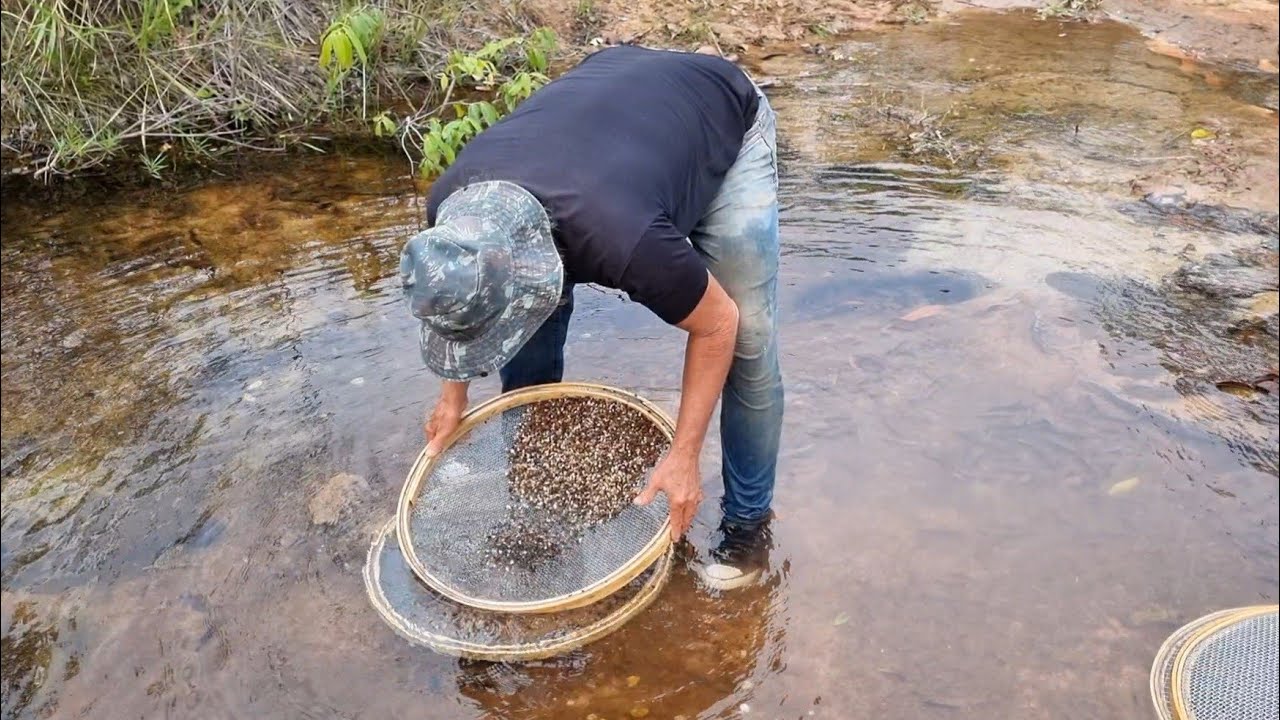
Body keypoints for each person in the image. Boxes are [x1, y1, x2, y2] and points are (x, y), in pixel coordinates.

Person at [399, 45, 783, 590]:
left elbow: (717, 323)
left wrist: (684, 454)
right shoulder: (450, 212)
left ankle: (747, 523)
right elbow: (459, 304)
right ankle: (533, 505)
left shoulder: (622, 239)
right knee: (526, 343)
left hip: (718, 110)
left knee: (747, 337)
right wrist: (452, 395)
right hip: (609, 104)